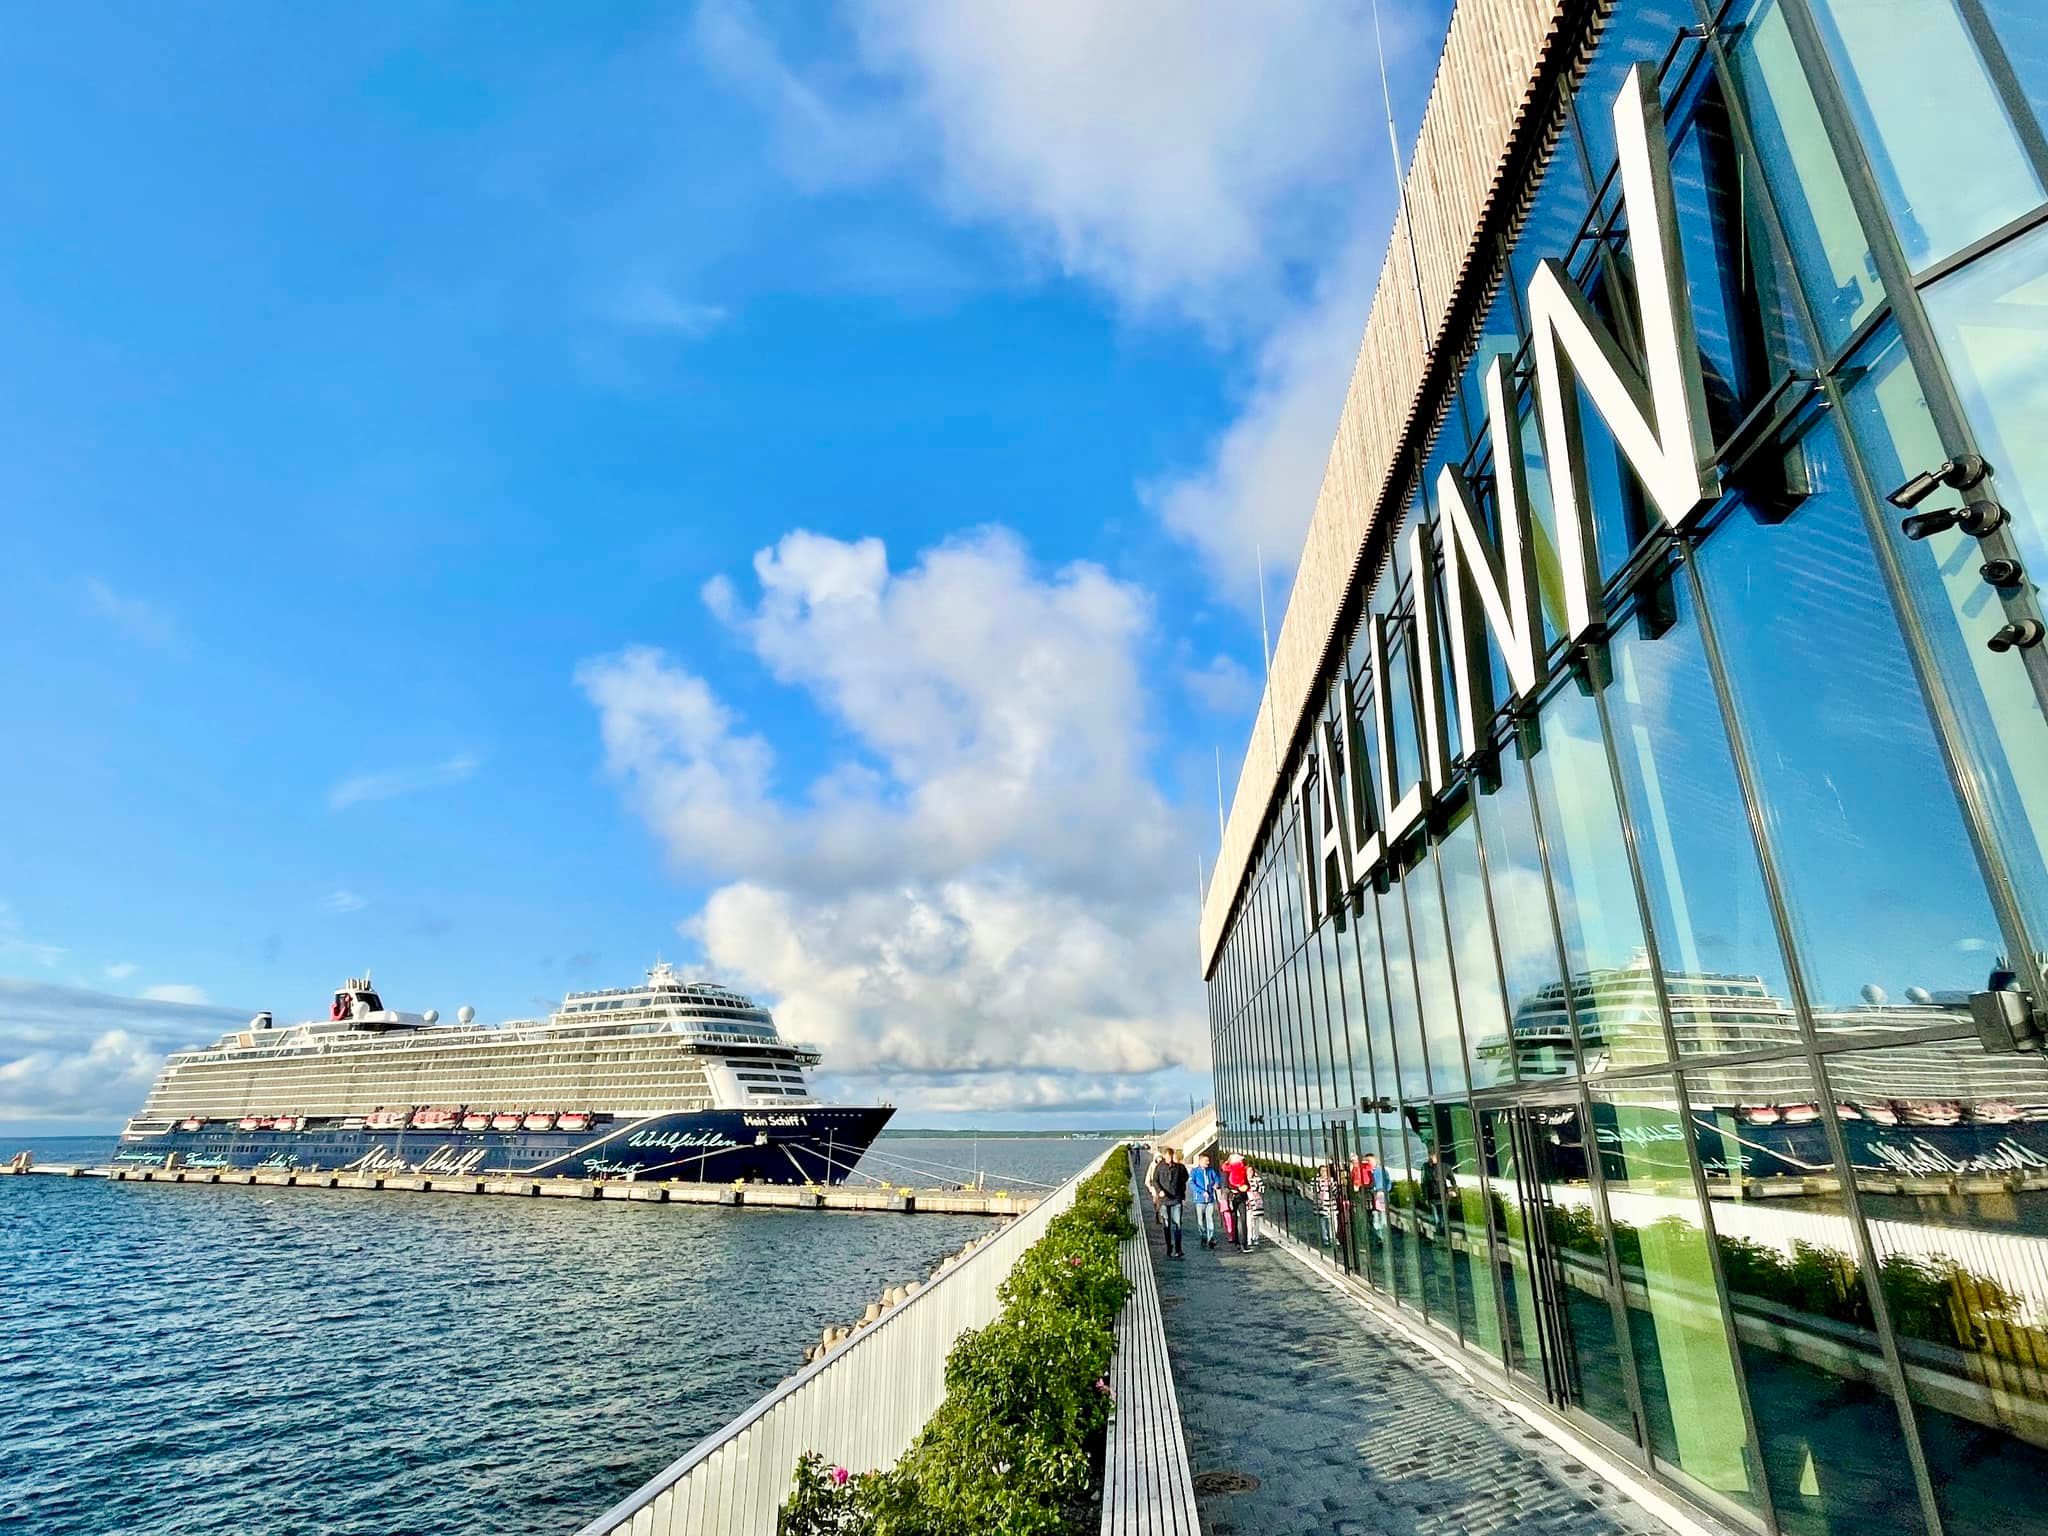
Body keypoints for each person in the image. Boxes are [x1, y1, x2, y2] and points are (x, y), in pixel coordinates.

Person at [1155, 1146, 1189, 1259]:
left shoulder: (1180, 1167)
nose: (1169, 1158)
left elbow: (1185, 1178)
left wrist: (1180, 1191)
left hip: (1176, 1199)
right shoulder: (1159, 1167)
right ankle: (1169, 1246)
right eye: (1167, 1156)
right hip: (1164, 1200)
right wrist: (1159, 1191)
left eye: (1171, 1156)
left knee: (1178, 1224)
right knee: (1166, 1225)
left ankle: (1179, 1249)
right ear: (1164, 1156)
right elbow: (1155, 1180)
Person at [1188, 1151, 1223, 1249]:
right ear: (1200, 1161)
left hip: (1210, 1200)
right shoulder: (1194, 1171)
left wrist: (1216, 1184)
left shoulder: (1211, 1171)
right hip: (1199, 1200)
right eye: (1206, 1161)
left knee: (1210, 1218)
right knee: (1200, 1220)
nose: (1208, 1163)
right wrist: (1202, 1191)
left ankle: (1210, 1238)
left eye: (1208, 1161)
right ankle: (1203, 1235)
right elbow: (1192, 1184)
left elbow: (1217, 1179)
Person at [1221, 1148, 1251, 1252]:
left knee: (1243, 1220)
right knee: (1234, 1220)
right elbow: (1225, 1185)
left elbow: (1247, 1183)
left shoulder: (1243, 1171)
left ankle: (1244, 1243)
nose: (1241, 1162)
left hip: (1242, 1197)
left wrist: (1246, 1187)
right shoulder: (1227, 1171)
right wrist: (1238, 1188)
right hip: (1232, 1198)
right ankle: (1237, 1242)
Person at [1315, 1162, 1340, 1248]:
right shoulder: (1316, 1180)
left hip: (1331, 1204)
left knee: (1333, 1221)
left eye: (1326, 1171)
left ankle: (1333, 1237)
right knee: (1323, 1222)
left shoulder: (1331, 1180)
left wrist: (1331, 1185)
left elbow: (1335, 1192)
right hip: (1322, 1205)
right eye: (1322, 1171)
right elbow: (1314, 1191)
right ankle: (1325, 1239)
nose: (1324, 1173)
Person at [1144, 1144, 1167, 1229]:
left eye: (1161, 1158)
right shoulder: (1152, 1165)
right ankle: (1158, 1216)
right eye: (1158, 1158)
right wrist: (1150, 1188)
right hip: (1155, 1188)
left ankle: (1163, 1216)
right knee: (1156, 1203)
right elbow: (1147, 1178)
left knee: (1163, 1203)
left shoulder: (1164, 1165)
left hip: (1164, 1188)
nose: (1160, 1159)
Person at [1246, 1163, 1266, 1249]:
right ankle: (1249, 1238)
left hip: (1256, 1202)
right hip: (1248, 1202)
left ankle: (1256, 1237)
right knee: (1249, 1221)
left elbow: (1263, 1189)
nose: (1250, 1172)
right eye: (1248, 1171)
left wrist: (1255, 1189)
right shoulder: (1244, 1179)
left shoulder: (1257, 1179)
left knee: (1256, 1220)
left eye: (1251, 1171)